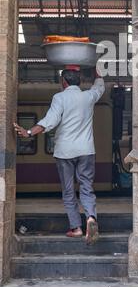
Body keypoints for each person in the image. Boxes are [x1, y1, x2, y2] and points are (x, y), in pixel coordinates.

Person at [13, 67, 105, 244]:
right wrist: (97, 73)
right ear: (78, 82)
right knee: (86, 187)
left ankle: (76, 228)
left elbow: (50, 121)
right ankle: (91, 218)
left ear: (64, 82)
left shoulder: (59, 98)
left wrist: (29, 132)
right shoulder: (88, 97)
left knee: (69, 190)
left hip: (65, 152)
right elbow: (99, 87)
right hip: (86, 151)